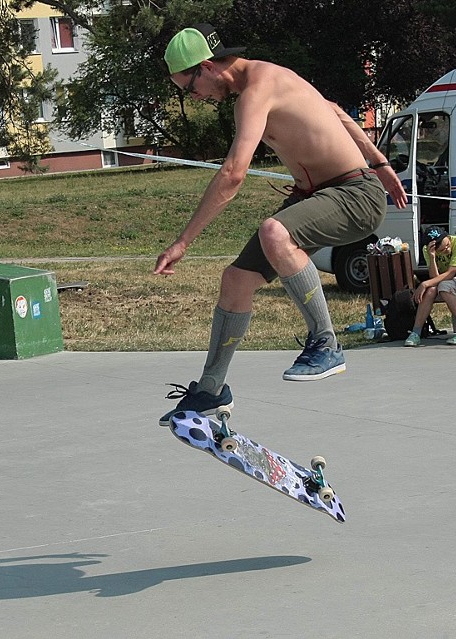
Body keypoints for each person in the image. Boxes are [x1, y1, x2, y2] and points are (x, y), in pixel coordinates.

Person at [155, 23, 408, 425]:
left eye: (190, 88)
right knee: (235, 281)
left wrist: (184, 241)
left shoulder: (257, 88)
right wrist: (381, 162)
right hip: (319, 195)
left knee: (276, 232)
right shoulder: (272, 80)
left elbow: (233, 173)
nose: (196, 98)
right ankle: (210, 391)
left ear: (206, 66)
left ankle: (326, 343)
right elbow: (336, 112)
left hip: (354, 194)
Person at [404, 226, 456, 347]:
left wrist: (425, 283)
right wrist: (432, 257)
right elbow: (435, 277)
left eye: (447, 245)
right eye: (442, 250)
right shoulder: (427, 250)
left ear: (447, 236)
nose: (446, 248)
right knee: (430, 291)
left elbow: (451, 273)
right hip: (447, 283)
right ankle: (416, 333)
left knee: (442, 286)